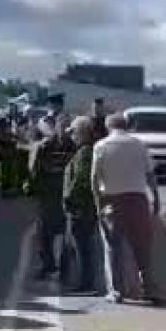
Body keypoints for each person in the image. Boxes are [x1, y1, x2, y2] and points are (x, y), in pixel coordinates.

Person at [92, 112, 163, 304]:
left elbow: (95, 178)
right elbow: (150, 175)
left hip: (112, 199)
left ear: (108, 127)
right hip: (137, 199)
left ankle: (116, 290)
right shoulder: (139, 145)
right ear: (127, 125)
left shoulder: (101, 146)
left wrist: (98, 204)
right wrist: (156, 198)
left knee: (113, 247)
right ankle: (148, 287)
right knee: (142, 247)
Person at [28, 114, 76, 279]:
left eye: (67, 127)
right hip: (49, 196)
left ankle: (65, 268)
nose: (64, 130)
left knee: (67, 236)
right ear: (56, 127)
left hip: (67, 196)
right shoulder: (45, 146)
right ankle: (47, 265)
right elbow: (35, 171)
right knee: (44, 234)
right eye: (61, 126)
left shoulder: (74, 147)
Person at [62, 116, 99, 293]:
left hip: (81, 206)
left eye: (74, 133)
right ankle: (80, 279)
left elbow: (81, 178)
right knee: (79, 245)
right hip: (81, 205)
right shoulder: (83, 151)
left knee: (82, 246)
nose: (72, 137)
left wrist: (69, 197)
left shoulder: (85, 152)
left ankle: (86, 283)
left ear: (83, 133)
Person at [0, 106, 20, 198]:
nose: (14, 112)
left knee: (12, 170)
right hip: (5, 149)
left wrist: (14, 137)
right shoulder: (2, 121)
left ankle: (11, 190)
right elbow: (1, 136)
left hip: (13, 150)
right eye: (12, 110)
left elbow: (16, 134)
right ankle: (5, 190)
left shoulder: (14, 121)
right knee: (5, 170)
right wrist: (11, 138)